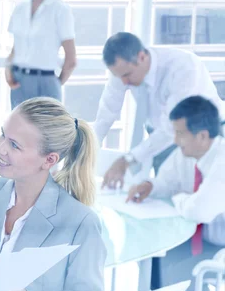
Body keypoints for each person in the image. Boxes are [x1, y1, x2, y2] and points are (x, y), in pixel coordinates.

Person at [0, 97, 106, 291]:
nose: (0, 148)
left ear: (49, 160)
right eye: (3, 134)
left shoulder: (82, 223)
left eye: (14, 145)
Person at [95, 32, 224, 189]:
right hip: (162, 135)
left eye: (127, 75)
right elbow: (107, 111)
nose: (123, 82)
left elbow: (170, 128)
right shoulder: (122, 69)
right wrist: (90, 149)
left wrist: (128, 159)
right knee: (160, 189)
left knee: (203, 193)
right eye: (118, 76)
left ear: (141, 57)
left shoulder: (182, 67)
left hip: (202, 135)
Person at [127, 96, 225, 291]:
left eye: (181, 133)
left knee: (172, 274)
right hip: (197, 238)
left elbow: (199, 211)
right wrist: (150, 186)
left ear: (202, 136)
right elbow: (167, 181)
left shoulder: (221, 160)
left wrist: (181, 198)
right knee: (155, 260)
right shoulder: (187, 153)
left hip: (219, 247)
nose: (175, 140)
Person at [5, 0, 76, 109]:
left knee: (45, 132)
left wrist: (55, 85)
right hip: (18, 82)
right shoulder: (20, 7)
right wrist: (8, 69)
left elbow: (71, 59)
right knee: (17, 131)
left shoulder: (60, 10)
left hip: (45, 83)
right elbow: (16, 48)